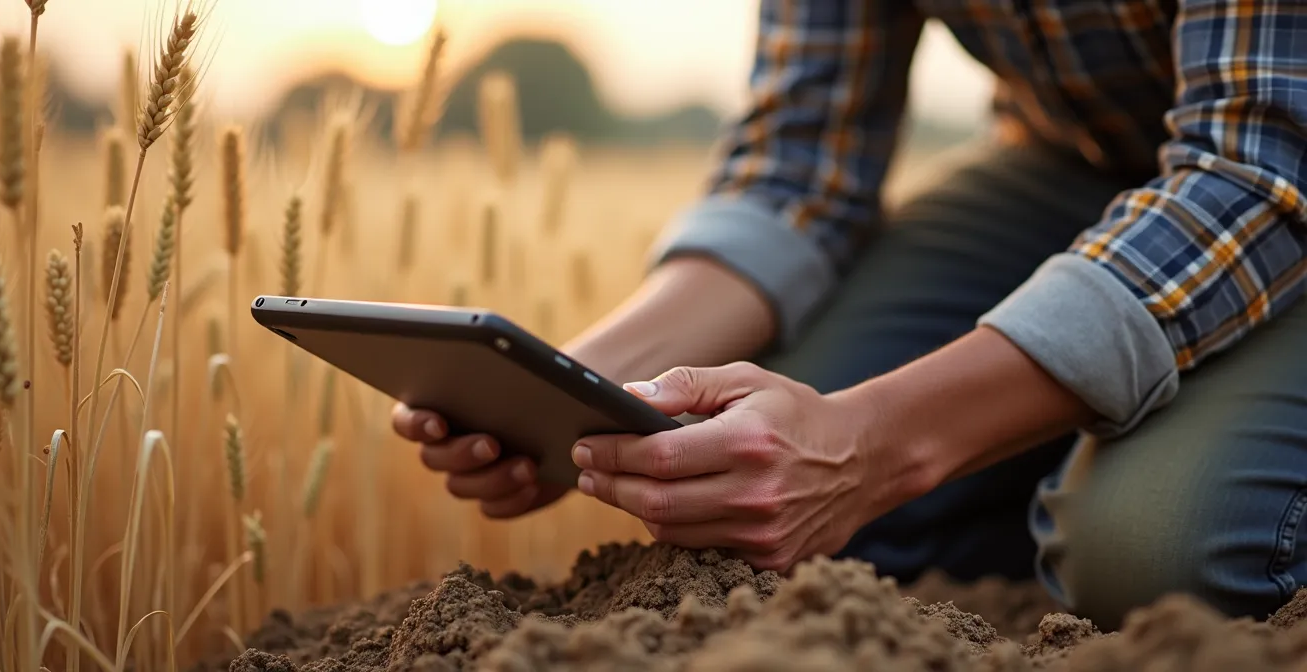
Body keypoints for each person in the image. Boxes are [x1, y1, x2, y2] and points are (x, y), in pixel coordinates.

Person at [392, 0, 1307, 631]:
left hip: (1270, 175)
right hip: (1079, 164)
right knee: (756, 473)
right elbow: (798, 172)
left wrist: (872, 446)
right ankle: (1062, 448)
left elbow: (1261, 170)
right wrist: (574, 379)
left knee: (1156, 556)